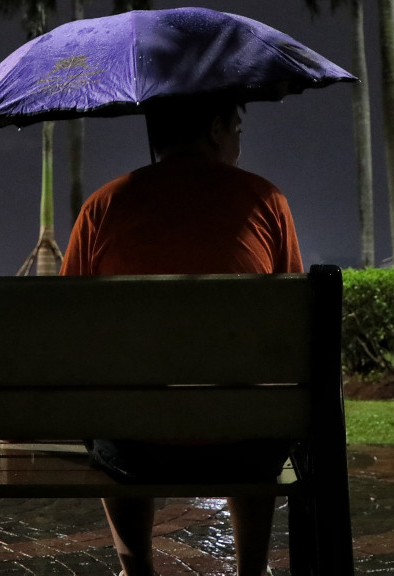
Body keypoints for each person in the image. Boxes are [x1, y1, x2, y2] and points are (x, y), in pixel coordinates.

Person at [61, 93, 303, 576]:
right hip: (244, 444)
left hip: (134, 446)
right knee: (250, 404)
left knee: (118, 410)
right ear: (215, 128)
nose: (238, 142)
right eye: (236, 130)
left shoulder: (103, 207)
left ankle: (137, 570)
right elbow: (294, 320)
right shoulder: (266, 202)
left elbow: (67, 325)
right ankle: (251, 571)